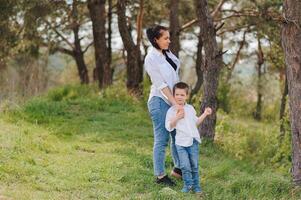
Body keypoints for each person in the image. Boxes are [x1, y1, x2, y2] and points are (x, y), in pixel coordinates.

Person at [144, 25, 182, 186]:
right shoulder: (151, 58)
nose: (169, 40)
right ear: (156, 40)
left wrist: (179, 100)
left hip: (173, 100)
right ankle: (160, 176)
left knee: (177, 136)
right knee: (162, 139)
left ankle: (178, 169)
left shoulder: (167, 53)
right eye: (165, 38)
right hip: (159, 101)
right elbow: (161, 85)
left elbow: (174, 78)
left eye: (168, 37)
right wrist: (175, 104)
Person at [165, 82, 212, 193]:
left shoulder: (190, 108)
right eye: (177, 94)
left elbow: (196, 122)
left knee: (194, 166)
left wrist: (205, 114)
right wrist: (177, 117)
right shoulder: (171, 111)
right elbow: (169, 126)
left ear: (187, 96)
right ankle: (187, 185)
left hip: (193, 142)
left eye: (182, 95)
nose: (179, 97)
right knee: (185, 166)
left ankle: (197, 187)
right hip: (180, 143)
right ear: (173, 95)